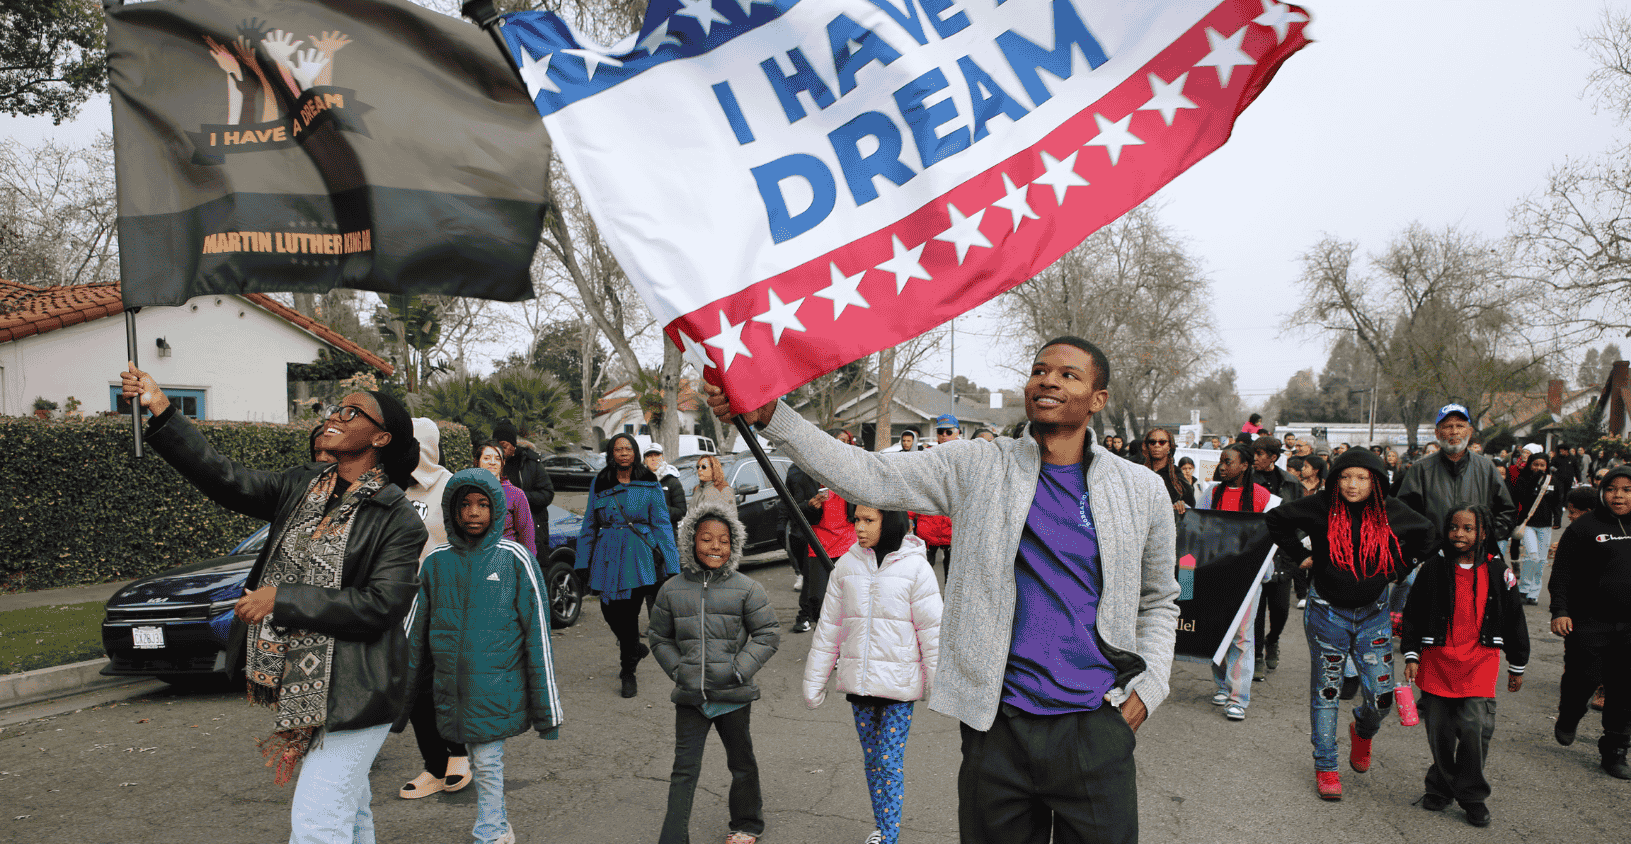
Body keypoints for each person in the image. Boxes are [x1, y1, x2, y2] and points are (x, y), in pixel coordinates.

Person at [706, 335, 1179, 844]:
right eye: (1040, 369)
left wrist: (1147, 692)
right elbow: (870, 476)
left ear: (1098, 399)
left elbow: (1160, 599)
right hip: (998, 726)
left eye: (1069, 374)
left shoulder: (1141, 490)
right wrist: (772, 415)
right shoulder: (979, 465)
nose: (1048, 380)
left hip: (1095, 725)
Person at [120, 363, 425, 844]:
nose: (335, 416)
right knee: (349, 812)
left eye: (352, 412)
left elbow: (379, 606)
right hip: (307, 684)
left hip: (360, 689)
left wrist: (282, 600)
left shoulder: (398, 518)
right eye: (334, 409)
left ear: (382, 438)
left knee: (317, 824)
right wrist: (162, 410)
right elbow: (224, 477)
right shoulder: (301, 487)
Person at [398, 469, 562, 844]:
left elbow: (538, 635)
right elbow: (412, 639)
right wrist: (397, 701)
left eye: (483, 504)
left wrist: (547, 710)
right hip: (450, 691)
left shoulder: (514, 559)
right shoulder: (436, 563)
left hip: (495, 687)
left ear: (497, 510)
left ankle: (488, 834)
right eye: (465, 505)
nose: (473, 512)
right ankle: (500, 827)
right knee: (476, 761)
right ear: (452, 511)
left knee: (487, 764)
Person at [1266, 449, 1434, 801]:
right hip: (1326, 613)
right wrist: (1300, 555)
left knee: (1383, 698)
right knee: (1327, 693)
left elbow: (1427, 535)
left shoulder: (1390, 510)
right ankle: (1326, 766)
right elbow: (1277, 520)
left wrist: (1399, 568)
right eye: (1345, 477)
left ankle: (1363, 728)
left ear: (1375, 481)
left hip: (1374, 615)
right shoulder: (1320, 505)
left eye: (1361, 478)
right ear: (1334, 480)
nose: (1352, 485)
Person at [803, 504, 942, 844]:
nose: (859, 527)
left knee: (889, 761)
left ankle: (890, 837)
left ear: (889, 521)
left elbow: (933, 632)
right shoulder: (846, 567)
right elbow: (829, 629)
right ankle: (882, 827)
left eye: (869, 520)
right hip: (860, 686)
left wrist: (941, 686)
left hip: (898, 689)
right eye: (856, 520)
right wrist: (814, 681)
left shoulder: (916, 569)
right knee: (872, 762)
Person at [650, 501, 780, 844]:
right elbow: (658, 636)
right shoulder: (672, 589)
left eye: (723, 540)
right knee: (684, 770)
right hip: (690, 696)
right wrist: (680, 670)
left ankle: (747, 824)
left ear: (734, 544)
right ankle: (673, 836)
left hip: (733, 695)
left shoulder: (747, 589)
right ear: (691, 541)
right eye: (706, 538)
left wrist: (739, 670)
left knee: (741, 763)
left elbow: (768, 634)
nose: (715, 547)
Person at [1401, 504, 1528, 828]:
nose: (1459, 534)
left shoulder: (1500, 572)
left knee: (1475, 730)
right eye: (1454, 527)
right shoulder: (1432, 568)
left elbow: (1515, 618)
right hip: (1437, 663)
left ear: (1483, 532)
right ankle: (1440, 787)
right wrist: (1412, 654)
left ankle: (1472, 796)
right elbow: (1413, 613)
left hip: (1480, 663)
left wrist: (1518, 664)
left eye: (1468, 528)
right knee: (1440, 735)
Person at [399, 419, 472, 801]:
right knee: (412, 688)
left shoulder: (452, 486)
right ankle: (434, 765)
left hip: (447, 603)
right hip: (402, 607)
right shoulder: (390, 488)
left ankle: (459, 753)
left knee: (448, 683)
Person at [578, 432, 681, 698]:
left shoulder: (648, 481)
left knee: (629, 615)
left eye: (628, 448)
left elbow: (662, 525)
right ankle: (634, 647)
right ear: (611, 453)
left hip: (639, 557)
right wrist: (582, 562)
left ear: (635, 452)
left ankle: (628, 671)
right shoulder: (600, 482)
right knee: (609, 611)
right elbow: (589, 524)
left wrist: (672, 564)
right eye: (618, 448)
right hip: (607, 556)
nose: (623, 452)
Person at [1548, 466, 1631, 780]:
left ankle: (1615, 751)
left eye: (1626, 489)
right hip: (1588, 622)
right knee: (1584, 677)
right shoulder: (1585, 527)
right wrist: (1560, 610)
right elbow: (1563, 574)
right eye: (1612, 489)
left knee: (1623, 690)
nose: (1618, 495)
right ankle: (1569, 715)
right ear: (1602, 492)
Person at [1194, 443, 1278, 719]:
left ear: (1245, 465)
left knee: (1242, 637)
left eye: (1228, 461)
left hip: (1247, 577)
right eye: (1221, 461)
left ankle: (1238, 697)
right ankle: (1221, 685)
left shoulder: (1263, 497)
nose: (1222, 466)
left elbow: (1269, 536)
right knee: (1217, 631)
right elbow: (1196, 529)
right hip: (1215, 573)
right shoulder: (1211, 493)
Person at [1509, 450, 1559, 605]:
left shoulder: (1553, 481)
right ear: (1530, 465)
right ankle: (1524, 589)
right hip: (1528, 524)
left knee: (1541, 560)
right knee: (1532, 556)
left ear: (1547, 466)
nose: (1539, 468)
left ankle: (1534, 593)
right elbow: (1521, 498)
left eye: (1542, 465)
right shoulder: (1523, 479)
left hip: (1545, 525)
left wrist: (1557, 518)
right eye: (1535, 464)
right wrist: (1534, 481)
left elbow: (1558, 502)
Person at [914, 415, 960, 575]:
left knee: (953, 577)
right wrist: (910, 516)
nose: (944, 436)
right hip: (928, 525)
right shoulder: (926, 456)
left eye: (949, 431)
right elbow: (917, 488)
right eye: (941, 432)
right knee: (923, 576)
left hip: (954, 526)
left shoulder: (967, 456)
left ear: (958, 432)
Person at [477, 441, 537, 558]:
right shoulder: (468, 491)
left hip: (505, 561)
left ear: (503, 463)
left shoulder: (516, 494)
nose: (492, 462)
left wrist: (528, 565)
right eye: (487, 458)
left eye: (497, 459)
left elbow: (527, 536)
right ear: (477, 462)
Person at [490, 421, 555, 524]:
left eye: (504, 446)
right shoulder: (491, 464)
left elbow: (547, 494)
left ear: (513, 445)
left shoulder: (530, 462)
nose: (500, 451)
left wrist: (518, 497)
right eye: (496, 447)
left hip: (530, 524)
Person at [1142, 427, 1194, 514]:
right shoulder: (1139, 472)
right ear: (1148, 446)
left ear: (1170, 446)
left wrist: (1182, 504)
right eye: (1152, 442)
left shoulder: (1177, 476)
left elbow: (1191, 505)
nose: (1157, 445)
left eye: (1162, 442)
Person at [645, 444, 689, 531]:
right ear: (645, 460)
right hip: (644, 535)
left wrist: (660, 509)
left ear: (662, 458)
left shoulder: (672, 481)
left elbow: (681, 512)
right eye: (649, 456)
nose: (653, 459)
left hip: (667, 533)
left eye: (657, 455)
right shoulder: (639, 481)